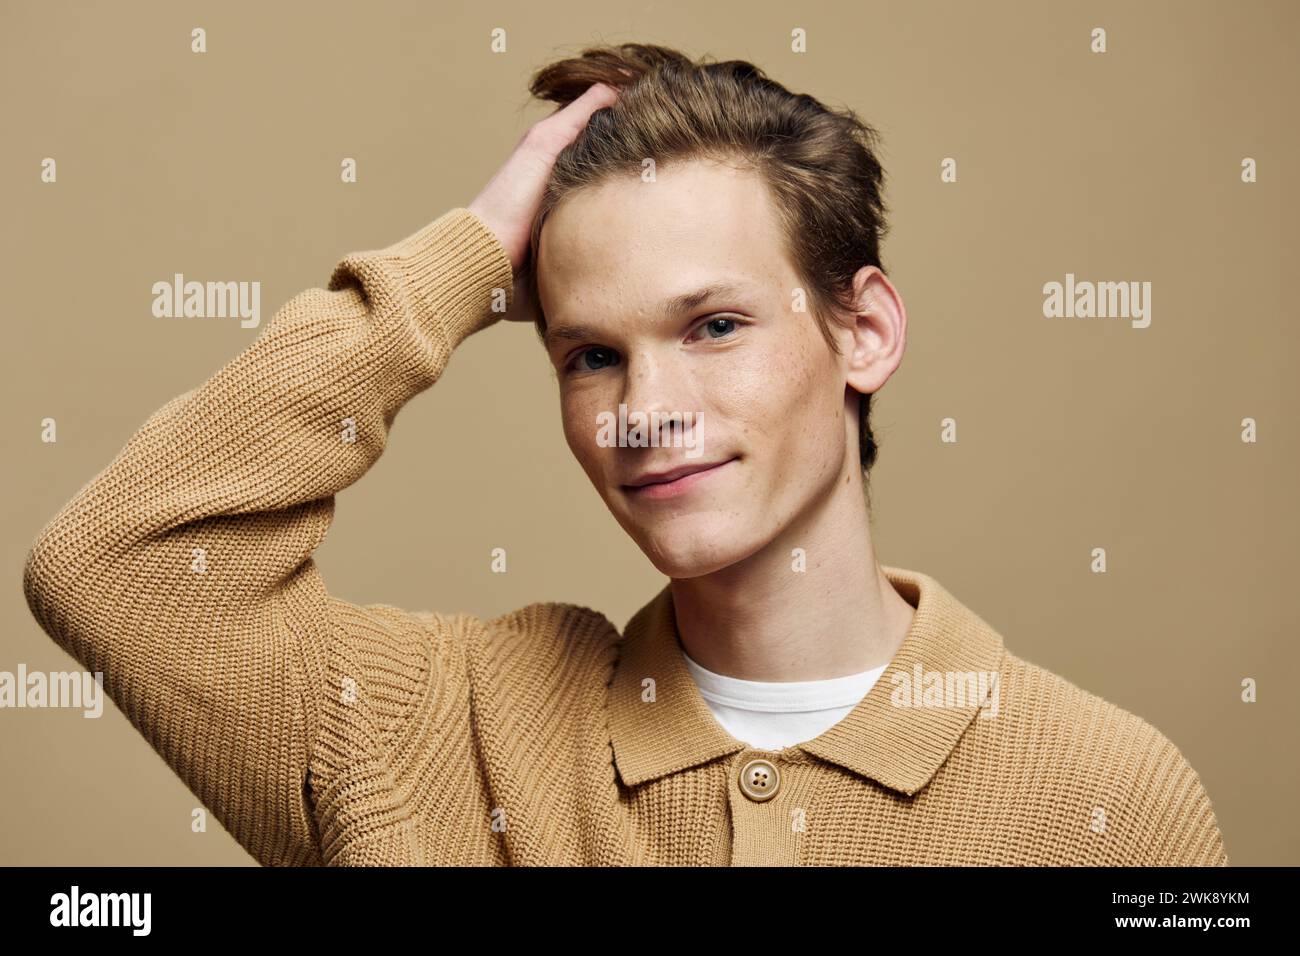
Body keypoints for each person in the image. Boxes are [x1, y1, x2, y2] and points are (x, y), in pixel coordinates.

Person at [22, 43, 1227, 866]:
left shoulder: (1104, 793)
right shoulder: (434, 728)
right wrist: (465, 259)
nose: (644, 412)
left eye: (713, 326)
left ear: (862, 331)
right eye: (590, 355)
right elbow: (114, 570)